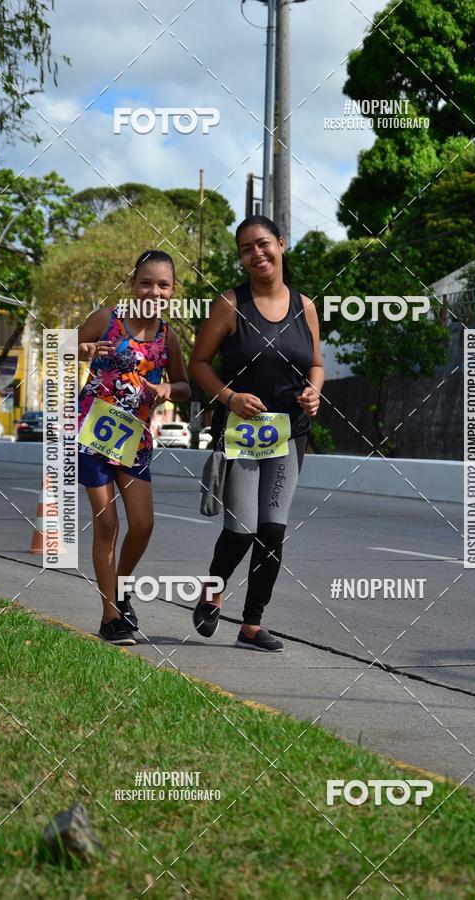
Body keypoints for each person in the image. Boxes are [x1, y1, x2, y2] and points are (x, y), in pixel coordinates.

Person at [189, 215, 324, 651]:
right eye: (246, 249)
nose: (257, 254)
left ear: (281, 244)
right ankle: (212, 591)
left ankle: (251, 625)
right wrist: (230, 399)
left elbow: (316, 364)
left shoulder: (305, 306)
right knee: (242, 528)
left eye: (263, 244)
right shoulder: (230, 305)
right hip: (242, 431)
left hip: (289, 433)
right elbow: (198, 364)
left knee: (272, 530)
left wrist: (314, 392)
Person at [77, 249, 190, 644]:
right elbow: (61, 350)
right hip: (94, 431)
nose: (153, 291)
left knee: (143, 524)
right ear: (132, 285)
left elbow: (185, 385)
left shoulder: (167, 336)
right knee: (107, 523)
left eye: (163, 285)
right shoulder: (107, 319)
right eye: (146, 282)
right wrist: (84, 350)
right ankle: (110, 617)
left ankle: (121, 588)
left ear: (173, 291)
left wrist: (166, 388)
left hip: (134, 438)